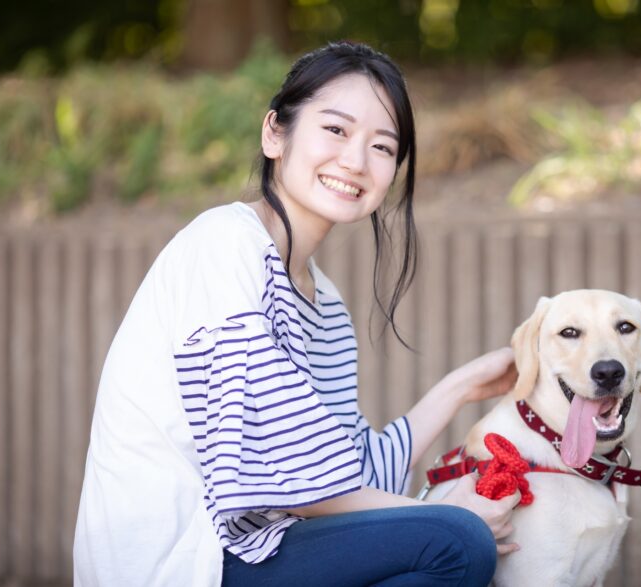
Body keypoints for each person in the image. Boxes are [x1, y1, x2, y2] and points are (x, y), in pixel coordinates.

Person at [73, 41, 520, 587]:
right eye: (335, 130)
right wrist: (452, 516)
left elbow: (350, 478)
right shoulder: (224, 246)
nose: (355, 161)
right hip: (189, 558)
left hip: (262, 547)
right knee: (458, 541)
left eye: (382, 146)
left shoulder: (324, 305)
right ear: (274, 134)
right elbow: (298, 483)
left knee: (447, 543)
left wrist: (459, 388)